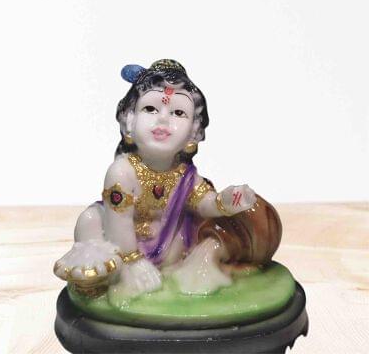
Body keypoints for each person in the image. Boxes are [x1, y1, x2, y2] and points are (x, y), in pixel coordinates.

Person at [54, 59, 281, 303]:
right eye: (151, 109)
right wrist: (133, 260)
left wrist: (224, 202)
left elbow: (203, 203)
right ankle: (102, 276)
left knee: (193, 235)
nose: (163, 119)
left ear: (194, 132)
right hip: (122, 244)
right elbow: (118, 223)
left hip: (166, 246)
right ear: (129, 120)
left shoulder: (185, 175)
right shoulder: (122, 172)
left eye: (178, 113)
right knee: (90, 220)